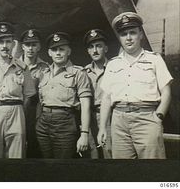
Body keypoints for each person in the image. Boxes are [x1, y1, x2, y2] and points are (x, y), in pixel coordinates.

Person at [97, 12, 173, 159]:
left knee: (152, 170)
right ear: (119, 38)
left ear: (141, 35)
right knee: (123, 172)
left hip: (147, 118)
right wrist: (102, 128)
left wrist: (158, 117)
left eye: (133, 32)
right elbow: (106, 98)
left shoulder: (154, 60)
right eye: (124, 34)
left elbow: (166, 92)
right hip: (119, 121)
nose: (129, 38)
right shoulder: (113, 64)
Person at [0, 22, 36, 158]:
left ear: (13, 44)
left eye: (8, 42)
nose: (4, 46)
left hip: (16, 111)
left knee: (16, 153)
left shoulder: (22, 68)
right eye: (1, 42)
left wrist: (19, 111)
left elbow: (28, 96)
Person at [36, 32, 92, 158]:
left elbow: (85, 105)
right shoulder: (44, 73)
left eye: (62, 49)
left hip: (65, 124)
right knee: (46, 162)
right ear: (49, 53)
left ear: (69, 51)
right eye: (54, 49)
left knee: (62, 164)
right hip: (43, 124)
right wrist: (38, 122)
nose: (58, 53)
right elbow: (40, 102)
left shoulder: (78, 73)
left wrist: (84, 133)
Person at [19, 29, 49, 158]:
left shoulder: (46, 67)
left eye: (34, 44)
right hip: (16, 110)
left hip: (35, 111)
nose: (30, 48)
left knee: (34, 146)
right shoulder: (14, 65)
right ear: (22, 46)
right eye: (27, 45)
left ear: (39, 46)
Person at [84, 29, 112, 159]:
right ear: (88, 51)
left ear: (105, 48)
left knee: (109, 152)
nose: (95, 50)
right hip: (89, 117)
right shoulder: (84, 72)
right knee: (92, 153)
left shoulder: (114, 69)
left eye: (98, 46)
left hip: (109, 117)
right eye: (91, 47)